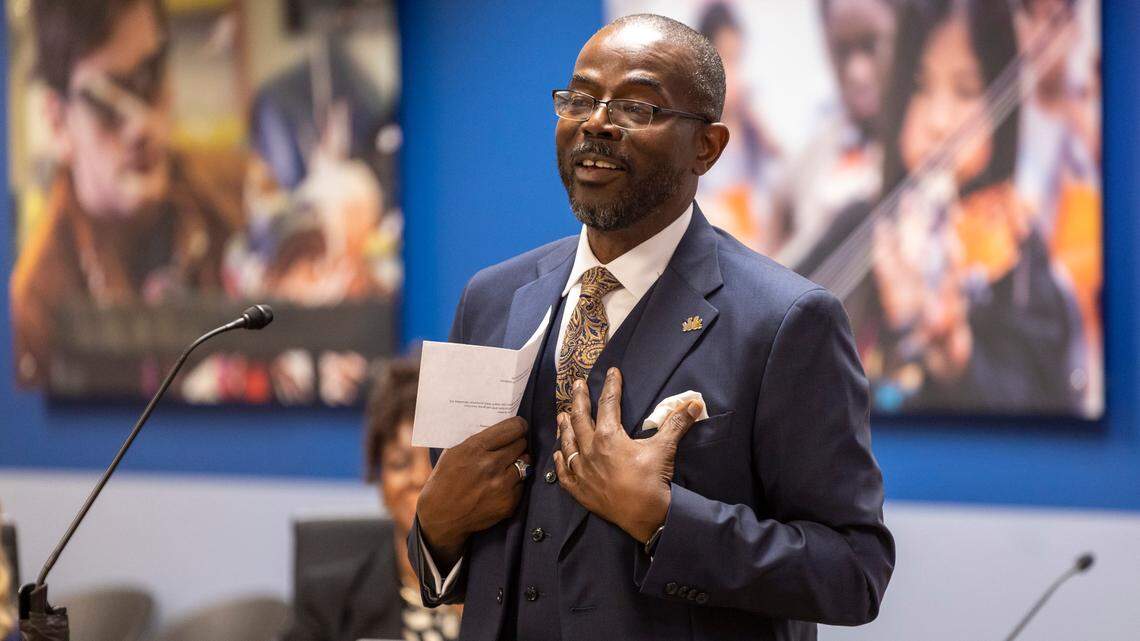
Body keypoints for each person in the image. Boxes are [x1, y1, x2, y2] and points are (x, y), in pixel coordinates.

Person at [408, 14, 893, 641]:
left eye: (637, 106)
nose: (597, 122)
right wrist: (436, 525)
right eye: (580, 98)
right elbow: (463, 546)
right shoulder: (492, 299)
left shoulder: (786, 322)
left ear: (708, 147)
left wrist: (664, 519)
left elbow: (854, 573)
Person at [803, 0, 1085, 414]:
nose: (938, 122)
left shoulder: (1020, 256)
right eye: (919, 87)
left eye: (966, 91)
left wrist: (958, 357)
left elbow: (1045, 407)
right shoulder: (860, 224)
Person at [11, 0, 243, 390]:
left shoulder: (235, 197)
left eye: (149, 75)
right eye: (106, 100)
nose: (140, 124)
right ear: (57, 121)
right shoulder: (35, 307)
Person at [287, 357, 461, 641]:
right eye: (400, 464)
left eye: (435, 460)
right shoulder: (329, 603)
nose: (420, 478)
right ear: (380, 481)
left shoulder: (503, 596)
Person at [775, 0, 898, 269]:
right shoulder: (817, 149)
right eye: (842, 51)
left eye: (870, 45)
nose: (856, 72)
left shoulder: (922, 144)